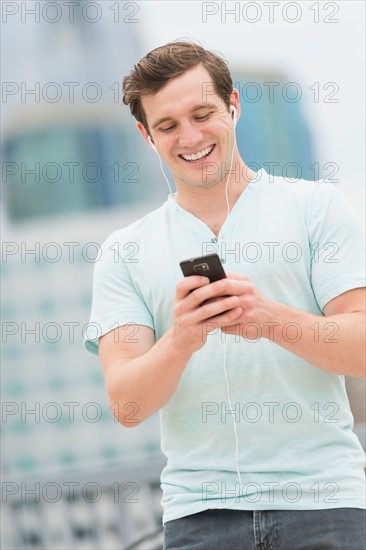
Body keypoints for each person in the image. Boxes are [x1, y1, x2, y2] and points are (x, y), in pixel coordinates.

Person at [84, 41, 366, 550]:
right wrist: (181, 339)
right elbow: (126, 404)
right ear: (145, 135)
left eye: (202, 113)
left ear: (233, 104)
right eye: (167, 126)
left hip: (325, 505)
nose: (189, 137)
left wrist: (271, 319)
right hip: (199, 519)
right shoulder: (123, 251)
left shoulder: (316, 208)